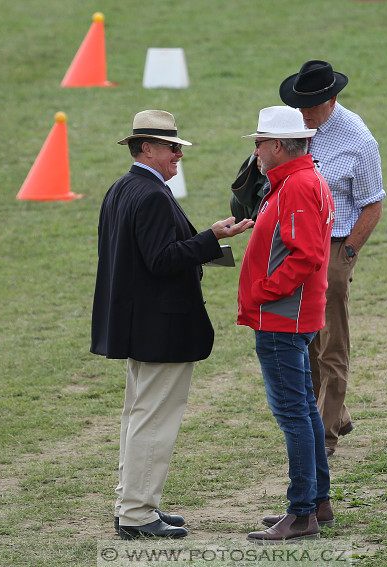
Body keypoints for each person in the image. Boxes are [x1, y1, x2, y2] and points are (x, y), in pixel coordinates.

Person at [90, 109, 253, 540]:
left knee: (137, 415)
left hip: (138, 323)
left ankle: (132, 503)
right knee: (153, 419)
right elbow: (162, 260)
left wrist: (205, 238)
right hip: (161, 326)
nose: (178, 155)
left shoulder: (122, 189)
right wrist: (211, 238)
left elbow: (143, 255)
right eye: (171, 147)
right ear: (146, 147)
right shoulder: (150, 195)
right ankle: (138, 513)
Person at [237, 106, 335, 543]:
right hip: (294, 315)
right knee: (305, 411)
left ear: (278, 145)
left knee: (293, 413)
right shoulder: (303, 179)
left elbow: (307, 254)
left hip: (282, 319)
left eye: (259, 142)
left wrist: (262, 290)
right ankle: (317, 502)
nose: (255, 151)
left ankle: (301, 514)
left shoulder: (295, 185)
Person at [279, 60, 385, 457]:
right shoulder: (293, 125)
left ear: (332, 99)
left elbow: (372, 205)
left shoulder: (359, 141)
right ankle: (336, 415)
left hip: (337, 244)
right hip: (300, 245)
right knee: (304, 338)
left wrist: (348, 254)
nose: (302, 113)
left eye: (311, 106)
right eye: (299, 104)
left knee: (331, 344)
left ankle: (325, 437)